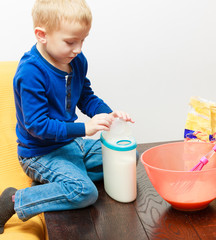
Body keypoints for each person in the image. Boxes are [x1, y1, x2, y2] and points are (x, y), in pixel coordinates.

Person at [0, 0, 134, 234]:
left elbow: (86, 97)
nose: (78, 49)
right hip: (40, 153)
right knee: (85, 192)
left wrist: (107, 114)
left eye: (83, 40)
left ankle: (58, 183)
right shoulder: (31, 73)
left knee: (126, 159)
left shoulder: (76, 61)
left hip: (70, 145)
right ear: (42, 35)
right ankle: (15, 199)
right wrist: (84, 129)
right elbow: (37, 126)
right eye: (71, 42)